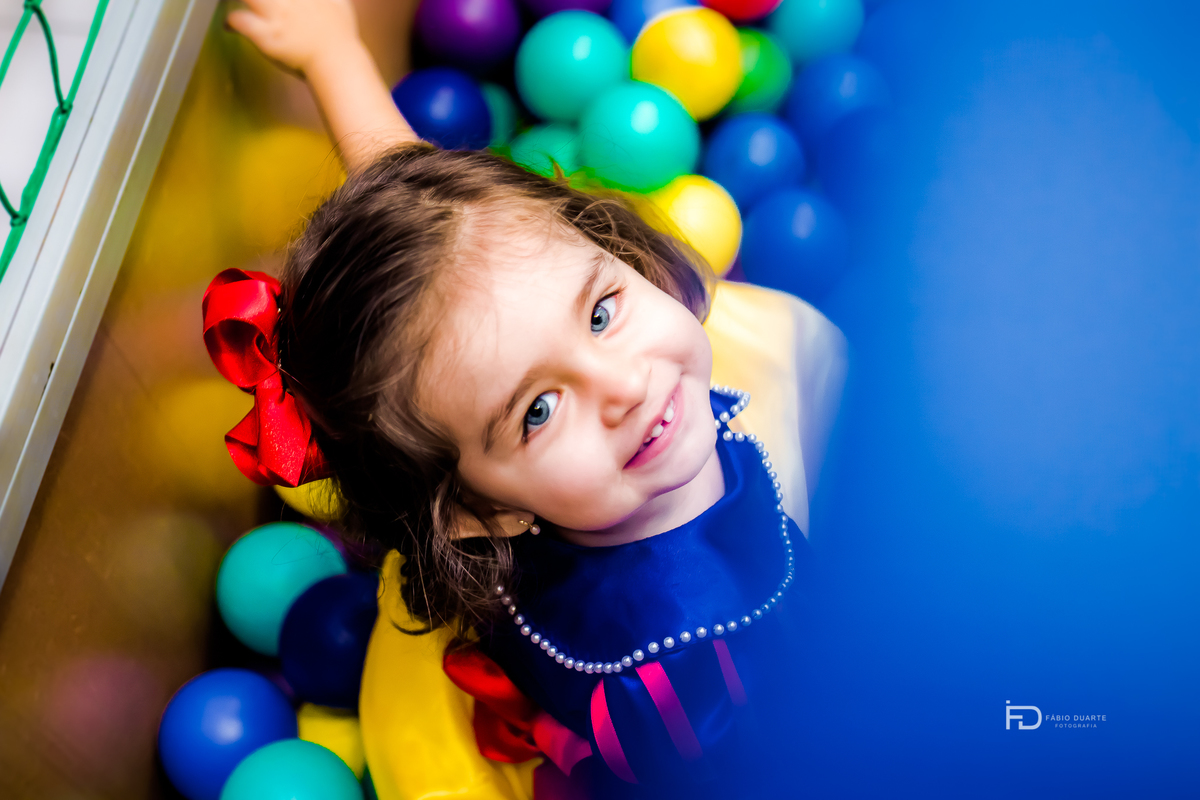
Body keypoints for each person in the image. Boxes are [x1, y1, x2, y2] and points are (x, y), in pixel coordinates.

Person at [208, 0, 847, 796]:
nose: (624, 386)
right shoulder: (693, 656)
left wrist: (333, 56)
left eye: (601, 313)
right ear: (476, 512)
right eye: (538, 412)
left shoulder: (472, 360)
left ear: (609, 246)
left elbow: (419, 211)